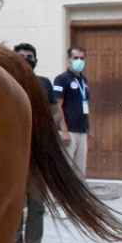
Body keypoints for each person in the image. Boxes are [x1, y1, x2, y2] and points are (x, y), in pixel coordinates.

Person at [13, 43, 61, 243]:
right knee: (14, 203)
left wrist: (48, 131)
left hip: (38, 154)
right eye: (21, 56)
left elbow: (55, 111)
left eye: (30, 56)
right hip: (14, 154)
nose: (26, 59)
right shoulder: (7, 82)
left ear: (36, 60)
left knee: (37, 203)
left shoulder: (44, 84)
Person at [53, 45, 90, 178]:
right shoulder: (62, 79)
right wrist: (64, 131)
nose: (79, 61)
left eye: (82, 58)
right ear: (69, 59)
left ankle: (78, 198)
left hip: (81, 130)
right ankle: (58, 198)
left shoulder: (83, 80)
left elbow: (84, 104)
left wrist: (88, 128)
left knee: (80, 171)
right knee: (64, 168)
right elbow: (58, 106)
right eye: (76, 58)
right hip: (68, 131)